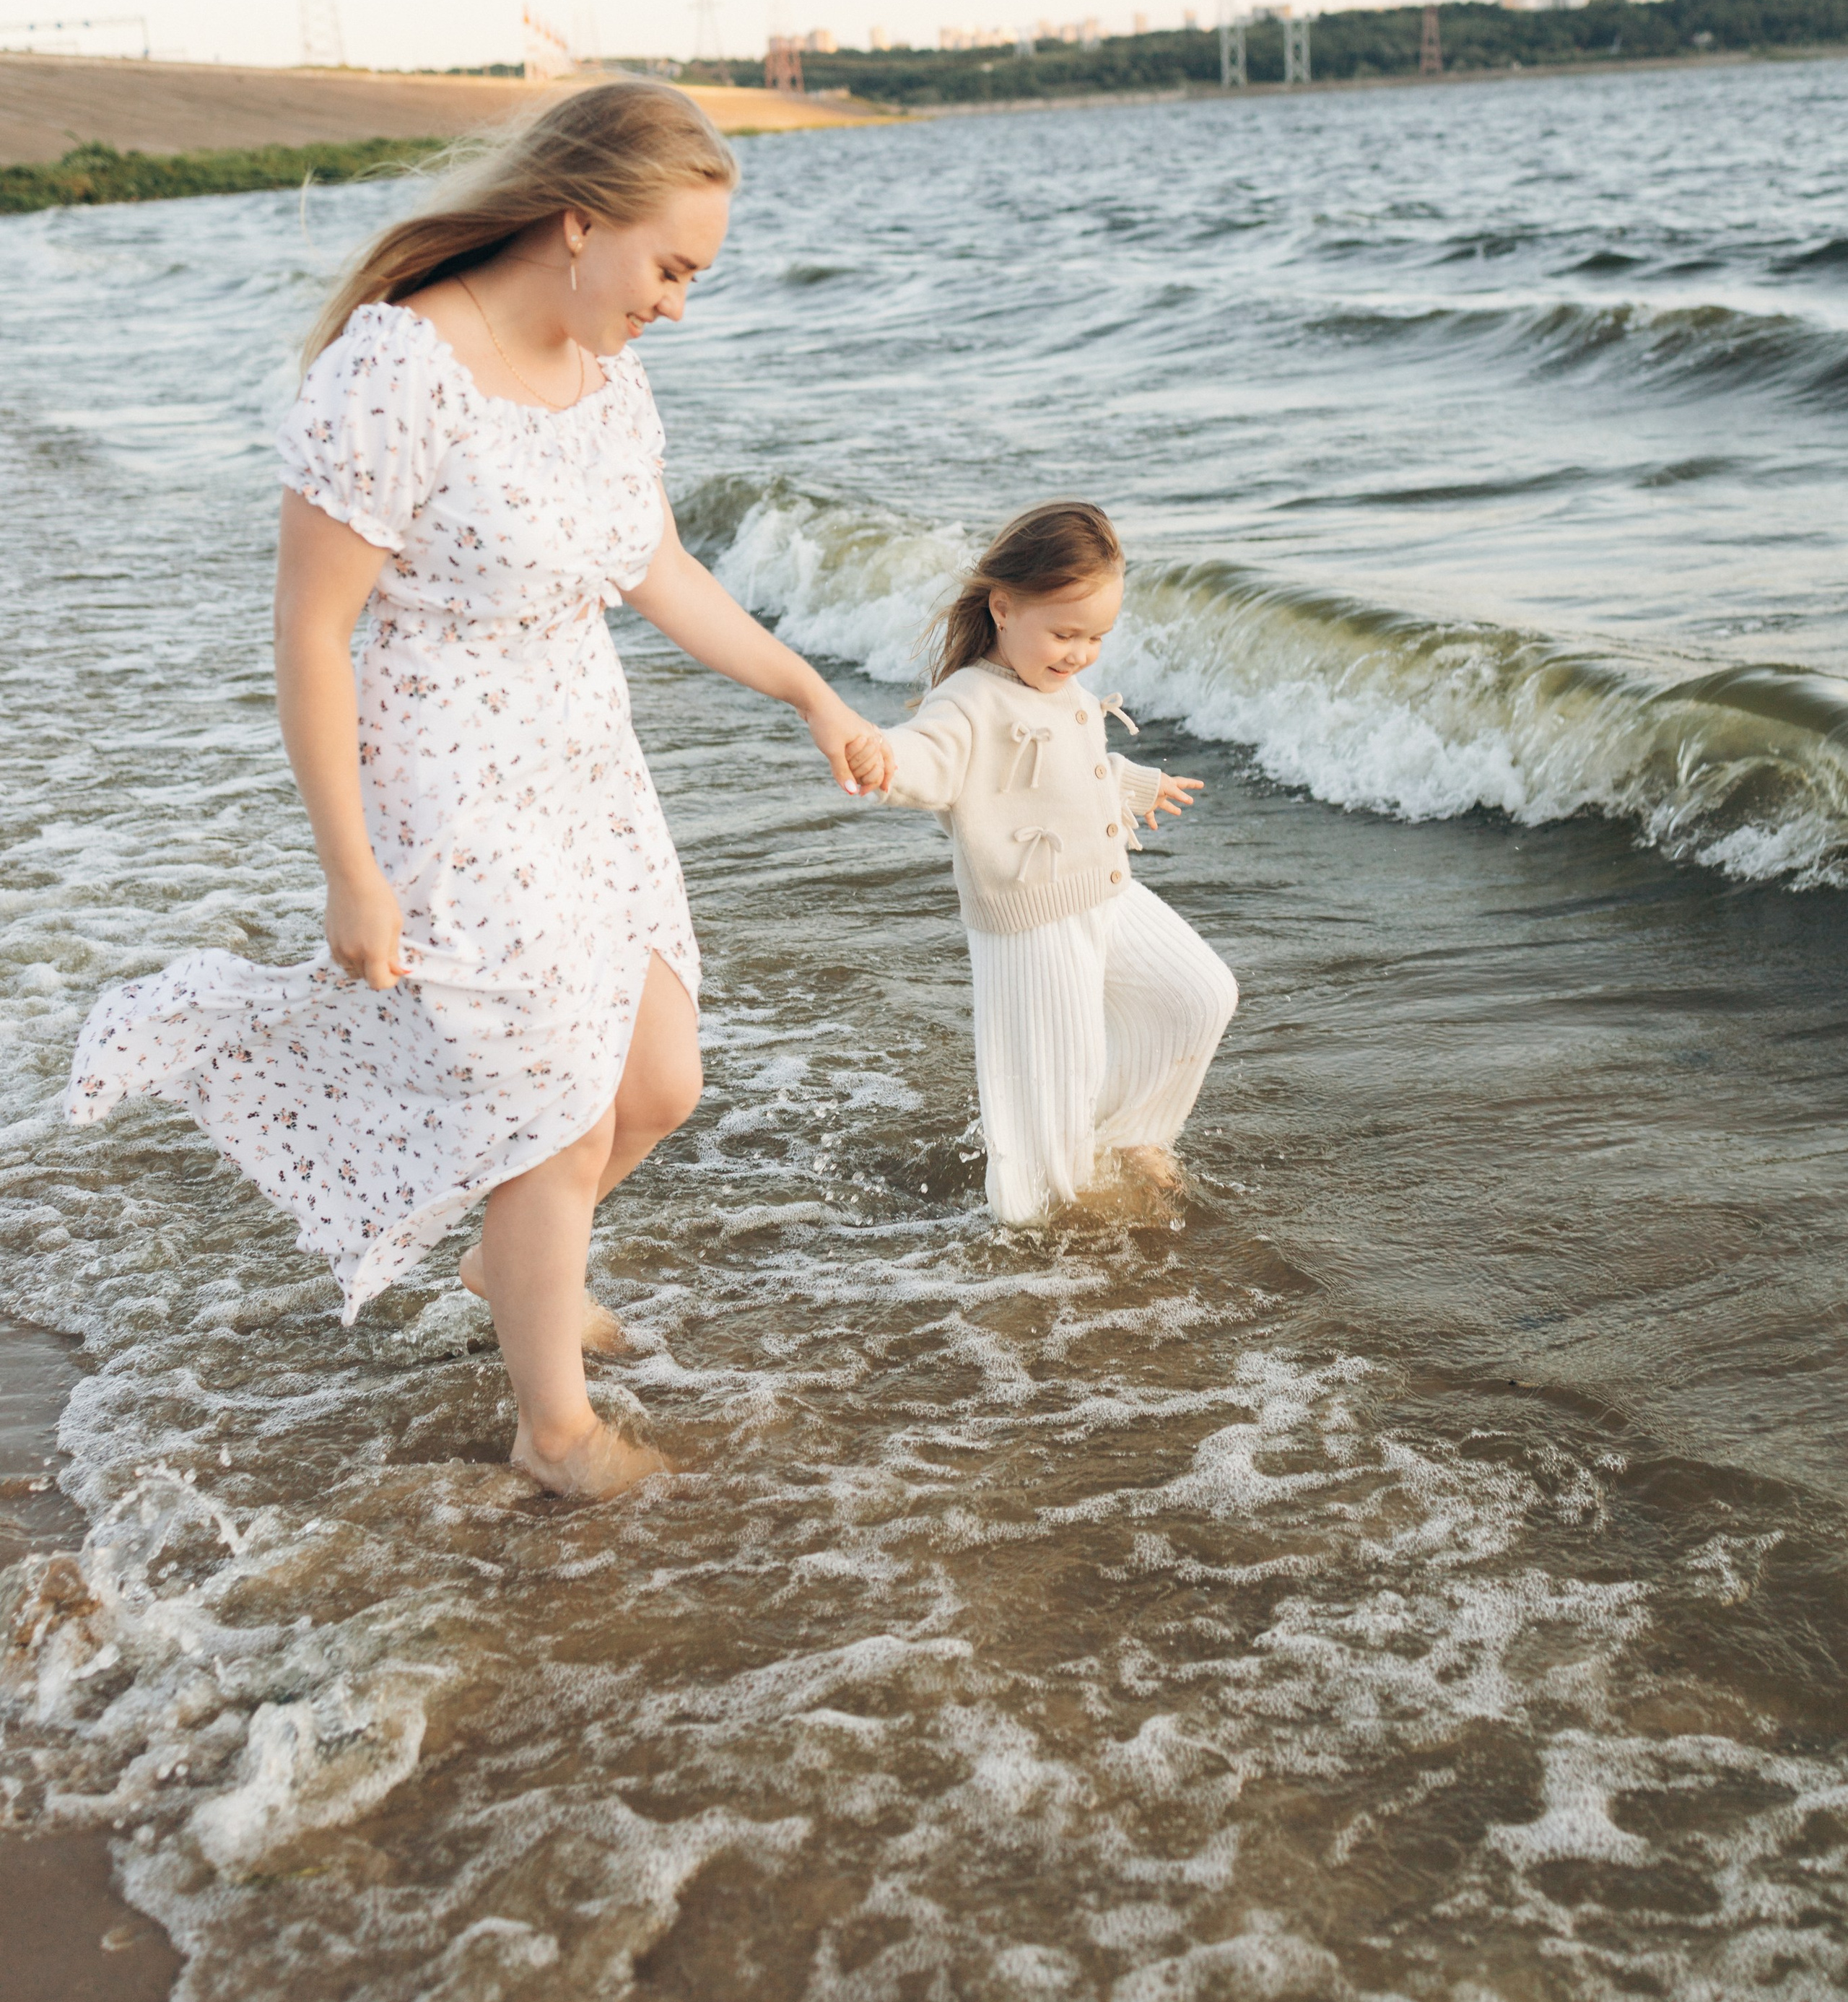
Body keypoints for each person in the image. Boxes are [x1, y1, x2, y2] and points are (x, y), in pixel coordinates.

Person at [66, 82, 886, 1501]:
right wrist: (350, 870)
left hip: (585, 761)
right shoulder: (397, 369)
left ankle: (511, 1263)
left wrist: (810, 692)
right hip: (442, 772)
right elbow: (311, 633)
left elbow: (660, 571)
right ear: (579, 223)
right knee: (559, 1106)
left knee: (659, 1082)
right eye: (671, 268)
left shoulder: (606, 374)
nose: (680, 306)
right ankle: (551, 1425)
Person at [867, 502, 1237, 1223]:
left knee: (1198, 994)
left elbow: (1063, 765)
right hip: (1031, 917)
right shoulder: (968, 698)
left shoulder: (1053, 681)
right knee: (1052, 1093)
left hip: (1102, 889)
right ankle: (1040, 1240)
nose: (1080, 653)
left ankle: (1132, 1136)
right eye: (1065, 633)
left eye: (1096, 636)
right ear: (1003, 608)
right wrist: (882, 758)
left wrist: (1133, 785)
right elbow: (931, 760)